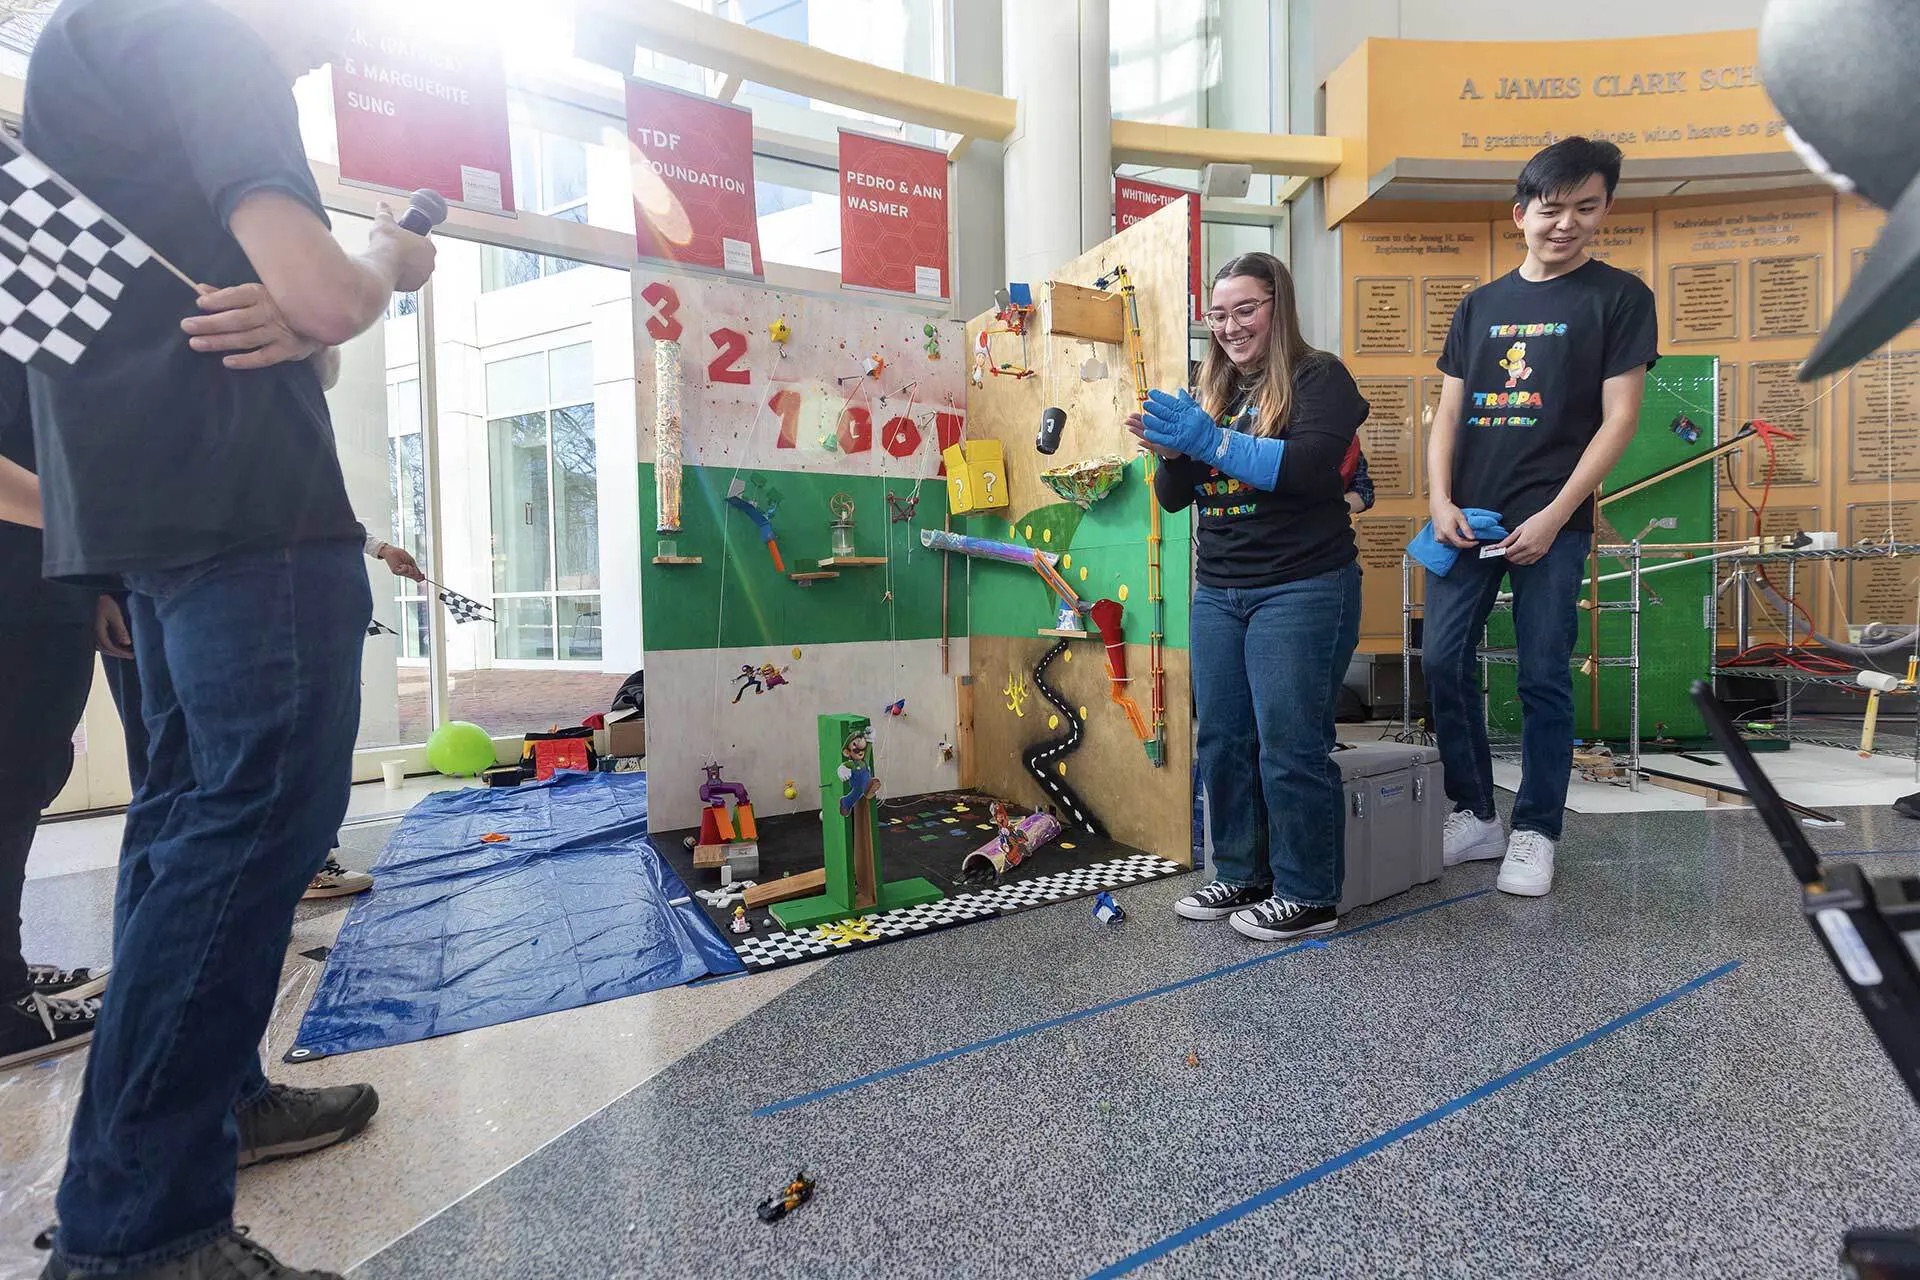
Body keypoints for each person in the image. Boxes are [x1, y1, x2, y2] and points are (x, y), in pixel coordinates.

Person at [25, 0, 436, 1275]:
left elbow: (237, 329)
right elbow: (322, 292)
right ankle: (138, 1232)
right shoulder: (196, 35)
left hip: (158, 519)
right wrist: (378, 264)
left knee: (184, 834)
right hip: (248, 516)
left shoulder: (74, 58)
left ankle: (181, 1134)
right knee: (244, 835)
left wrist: (309, 315)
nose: (330, 49)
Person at [1422, 137, 1657, 898]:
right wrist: (1438, 500)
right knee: (1440, 661)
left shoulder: (1618, 297)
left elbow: (1619, 420)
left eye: (1586, 208)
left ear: (1604, 211)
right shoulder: (1481, 305)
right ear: (1521, 213)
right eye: (1552, 209)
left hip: (1552, 522)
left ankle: (1536, 828)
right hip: (1468, 518)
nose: (1567, 224)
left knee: (1544, 676)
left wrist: (1558, 516)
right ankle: (1475, 812)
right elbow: (1449, 413)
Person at [1131, 252, 1370, 942]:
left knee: (1290, 744)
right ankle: (1241, 871)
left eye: (1246, 309)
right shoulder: (1214, 390)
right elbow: (1177, 501)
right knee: (1224, 740)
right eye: (1220, 313)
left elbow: (1301, 469)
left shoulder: (1319, 378)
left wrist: (1208, 439)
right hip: (1221, 588)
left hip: (1300, 584)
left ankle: (1309, 892)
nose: (1231, 326)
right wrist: (1170, 453)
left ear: (1278, 307)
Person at [94, 532, 424, 904]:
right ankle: (180, 887)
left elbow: (304, 504)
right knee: (168, 760)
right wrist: (97, 587)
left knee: (256, 753)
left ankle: (292, 866)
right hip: (157, 592)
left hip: (226, 593)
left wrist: (377, 548)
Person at [0, 361, 108, 1071]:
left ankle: (7, 964)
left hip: (45, 575)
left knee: (27, 776)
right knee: (11, 778)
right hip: (18, 581)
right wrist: (104, 525)